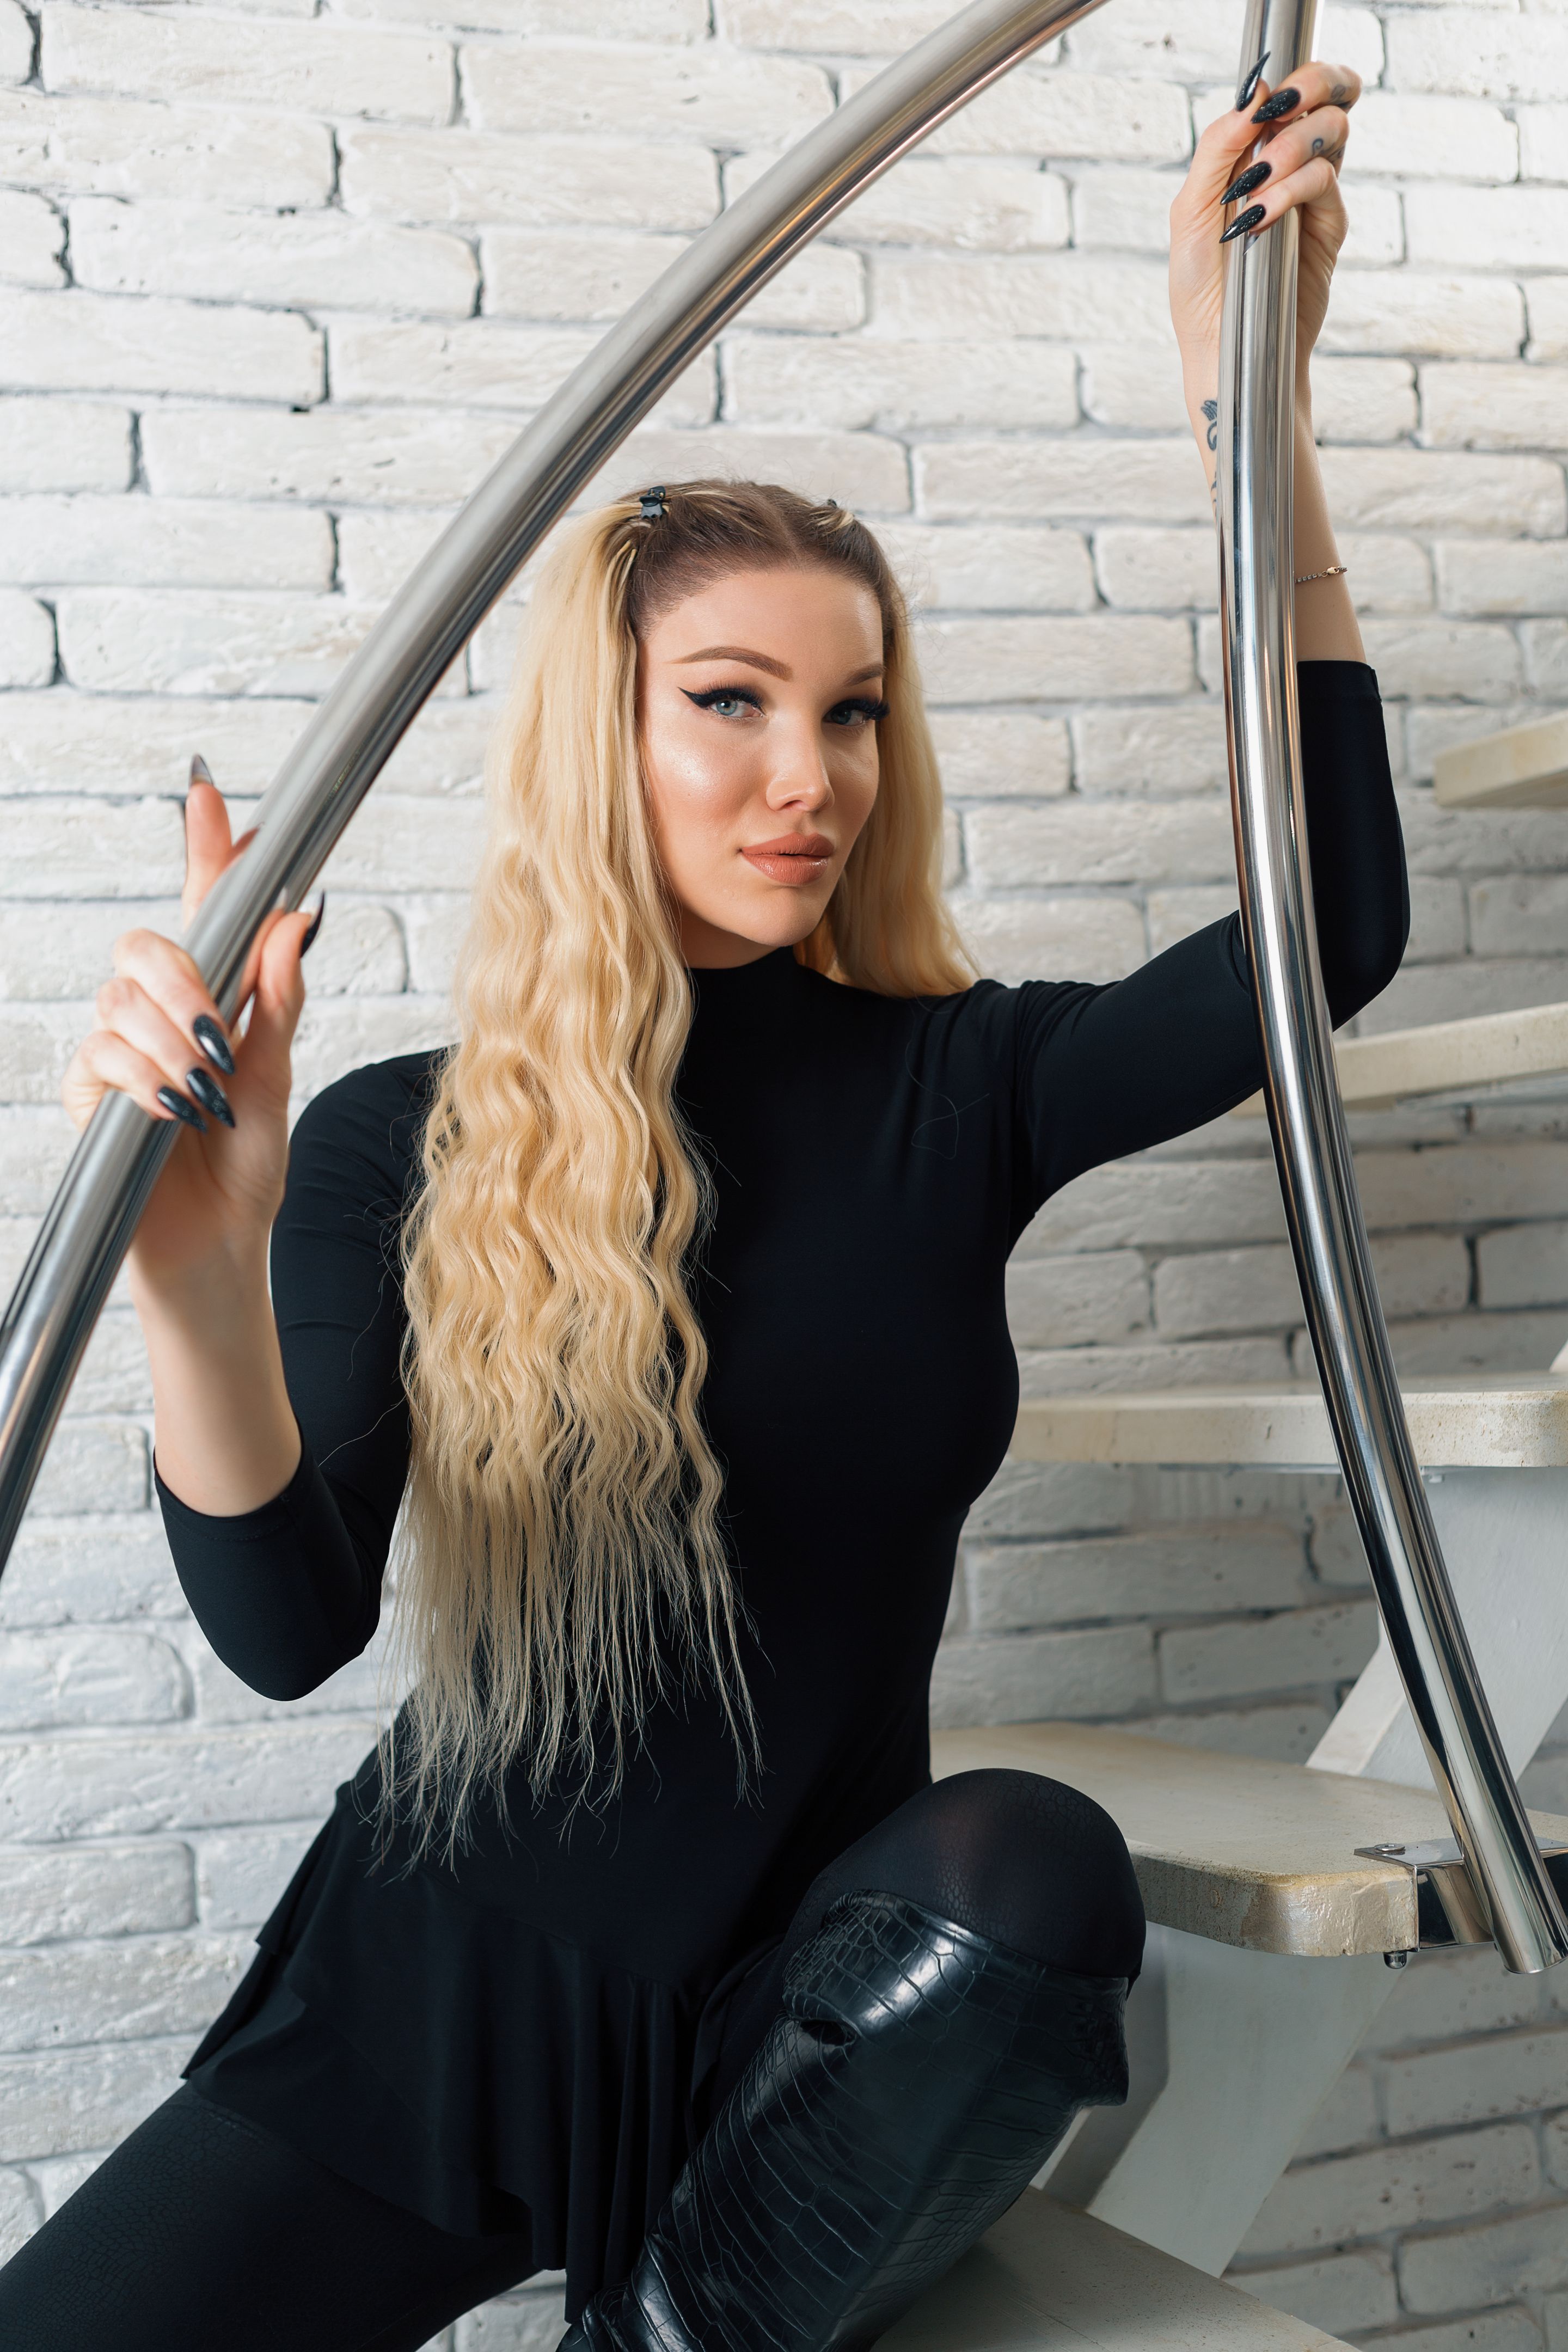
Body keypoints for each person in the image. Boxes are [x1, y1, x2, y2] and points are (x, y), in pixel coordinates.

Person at [0, 59, 1400, 2352]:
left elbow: (1328, 927)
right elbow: (286, 1627)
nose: (807, 776)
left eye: (854, 715)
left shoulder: (963, 1082)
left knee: (1034, 1868)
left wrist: (1245, 398)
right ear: (608, 737)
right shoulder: (405, 1135)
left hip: (799, 2047)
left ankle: (666, 2315)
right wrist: (196, 1279)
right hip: (442, 2010)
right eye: (732, 702)